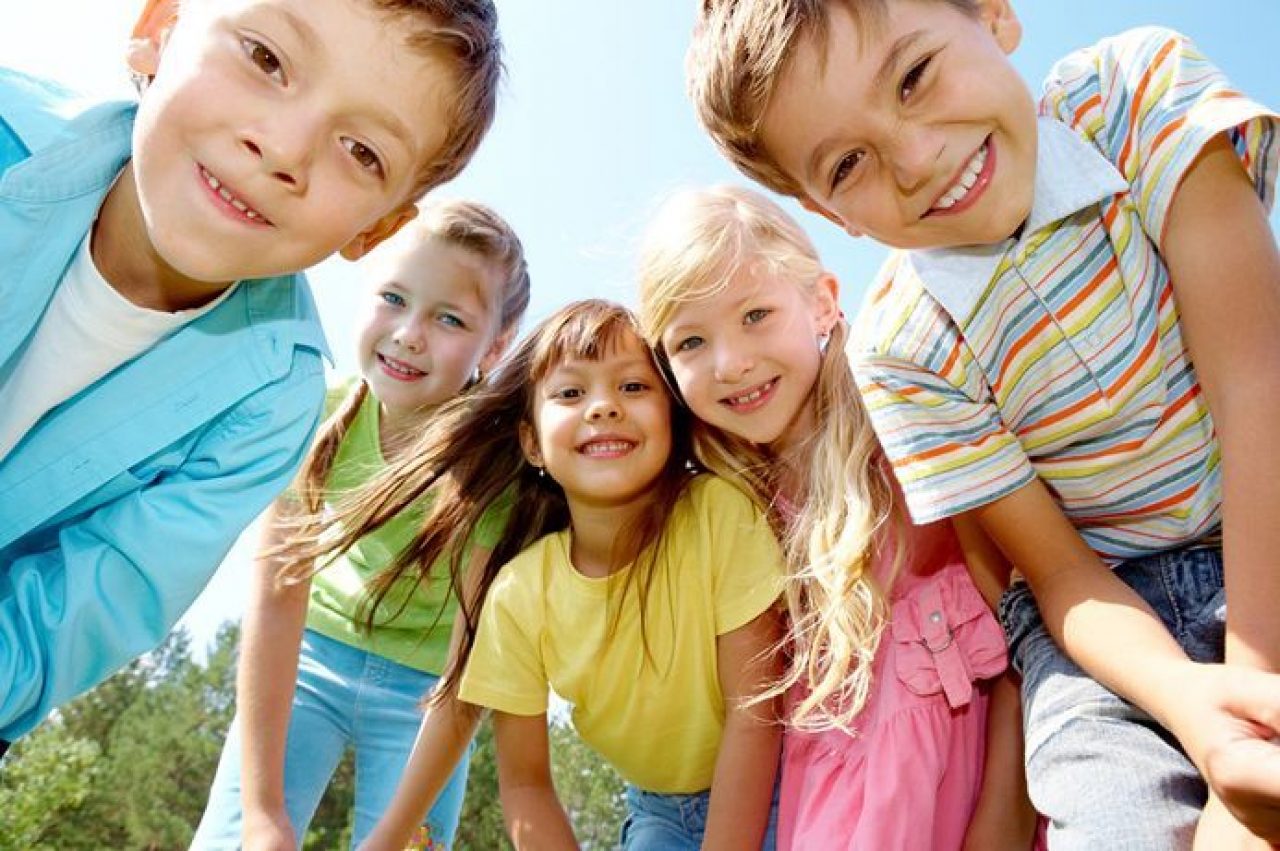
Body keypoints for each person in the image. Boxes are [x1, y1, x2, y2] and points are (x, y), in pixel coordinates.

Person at [687, 1, 1280, 848]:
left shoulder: (1134, 94)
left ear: (994, 14)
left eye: (914, 76)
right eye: (849, 163)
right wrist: (1193, 706)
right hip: (1107, 633)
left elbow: (1257, 388)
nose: (917, 159)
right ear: (828, 213)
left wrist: (1252, 730)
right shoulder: (899, 349)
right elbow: (1061, 574)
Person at [0, 0, 505, 748]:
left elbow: (66, 624)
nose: (284, 150)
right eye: (266, 59)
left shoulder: (270, 404)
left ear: (377, 227)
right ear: (158, 31)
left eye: (361, 151)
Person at [636, 184, 1036, 850]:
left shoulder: (906, 432)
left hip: (971, 791)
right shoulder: (731, 509)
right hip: (833, 808)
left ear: (822, 302)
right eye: (692, 342)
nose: (730, 363)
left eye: (756, 315)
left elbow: (1022, 621)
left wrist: (1005, 817)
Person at [309, 300, 787, 850]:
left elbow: (755, 717)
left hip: (776, 781)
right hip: (659, 811)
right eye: (570, 393)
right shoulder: (520, 594)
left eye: (633, 387)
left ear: (672, 416)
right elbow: (526, 784)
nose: (603, 407)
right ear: (532, 442)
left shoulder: (719, 514)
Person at [190, 199, 529, 850]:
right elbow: (276, 595)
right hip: (307, 660)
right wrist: (262, 812)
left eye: (450, 318)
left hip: (426, 698)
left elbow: (467, 672)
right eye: (394, 298)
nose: (409, 334)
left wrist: (395, 832)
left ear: (496, 345)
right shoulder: (314, 416)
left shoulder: (496, 472)